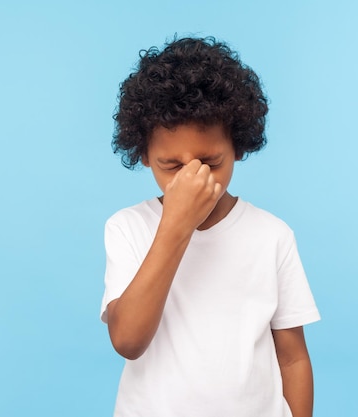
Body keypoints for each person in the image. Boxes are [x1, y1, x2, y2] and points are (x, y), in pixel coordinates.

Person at [100, 36, 320, 417]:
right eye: (172, 166)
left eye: (211, 162)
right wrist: (176, 226)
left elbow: (293, 359)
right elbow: (128, 340)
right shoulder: (128, 228)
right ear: (145, 157)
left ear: (237, 146)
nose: (194, 179)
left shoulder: (272, 236)